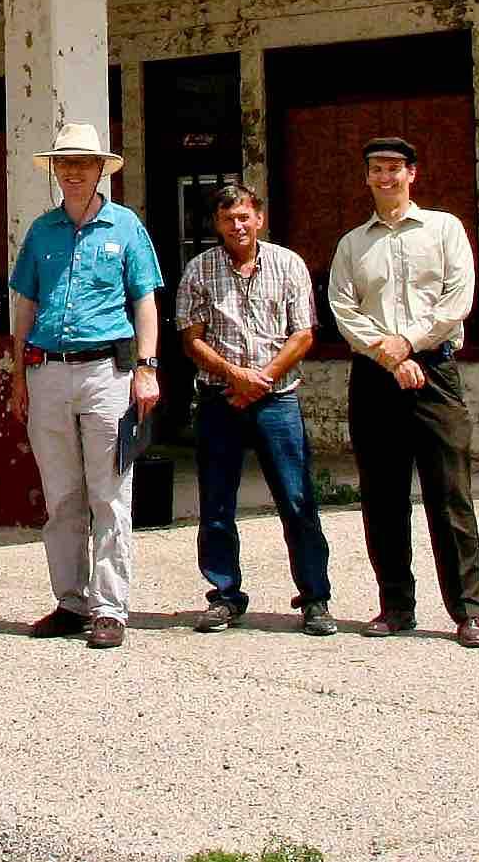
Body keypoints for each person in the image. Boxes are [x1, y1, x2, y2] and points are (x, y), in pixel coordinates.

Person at [325, 134, 479, 647]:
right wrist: (389, 355)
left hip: (434, 373)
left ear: (412, 174)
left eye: (394, 168)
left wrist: (409, 344)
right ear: (366, 177)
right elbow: (343, 309)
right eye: (376, 169)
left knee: (450, 494)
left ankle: (468, 612)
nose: (385, 177)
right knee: (383, 497)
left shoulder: (444, 229)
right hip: (375, 377)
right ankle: (396, 607)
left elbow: (457, 299)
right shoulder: (353, 244)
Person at [6, 120, 163, 650]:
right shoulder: (41, 231)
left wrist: (147, 368)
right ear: (55, 171)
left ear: (101, 170)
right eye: (65, 163)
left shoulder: (127, 227)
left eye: (83, 163)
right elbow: (25, 304)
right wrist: (18, 374)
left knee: (110, 493)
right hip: (47, 371)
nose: (73, 172)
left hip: (106, 374)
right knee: (62, 495)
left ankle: (110, 608)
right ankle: (70, 602)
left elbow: (144, 300)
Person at [173, 180, 335, 636]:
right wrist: (235, 377)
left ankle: (315, 598)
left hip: (277, 400)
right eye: (228, 219)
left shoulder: (288, 264)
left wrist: (261, 379)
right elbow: (191, 339)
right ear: (217, 224)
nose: (237, 225)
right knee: (217, 503)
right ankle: (224, 595)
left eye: (244, 216)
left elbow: (303, 333)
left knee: (297, 500)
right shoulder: (199, 270)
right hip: (220, 399)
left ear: (259, 219)